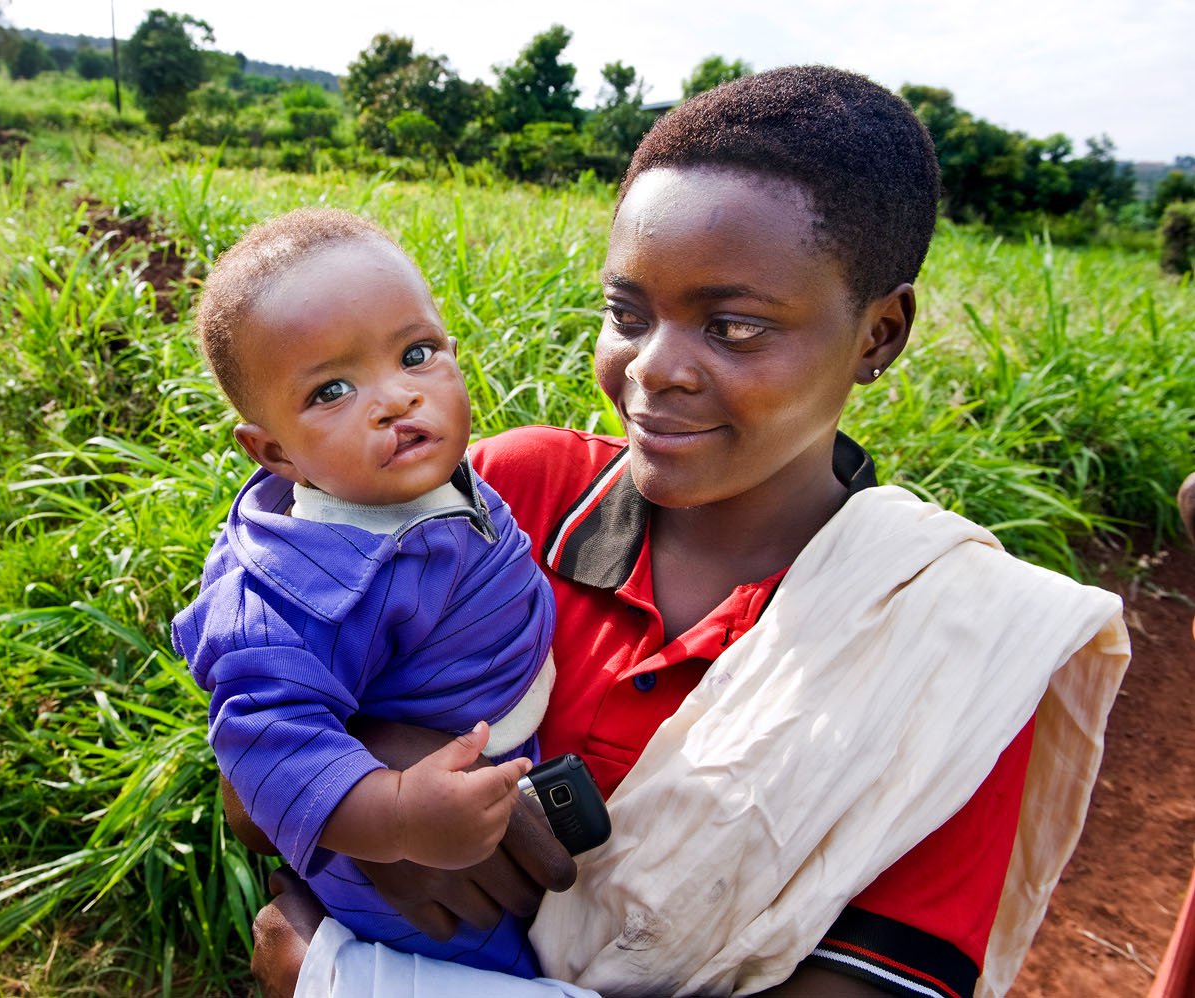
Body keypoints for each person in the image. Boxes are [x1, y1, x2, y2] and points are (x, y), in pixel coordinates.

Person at [242, 66, 1130, 998]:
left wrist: (341, 978)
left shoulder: (949, 637)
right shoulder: (501, 500)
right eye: (627, 313)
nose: (652, 368)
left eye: (734, 327)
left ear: (878, 334)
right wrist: (380, 781)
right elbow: (248, 777)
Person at [170, 208, 559, 977]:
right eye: (332, 390)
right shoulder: (292, 591)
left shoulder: (428, 481)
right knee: (488, 970)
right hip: (409, 869)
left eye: (416, 355)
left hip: (494, 779)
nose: (395, 399)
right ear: (273, 451)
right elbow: (264, 744)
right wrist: (400, 816)